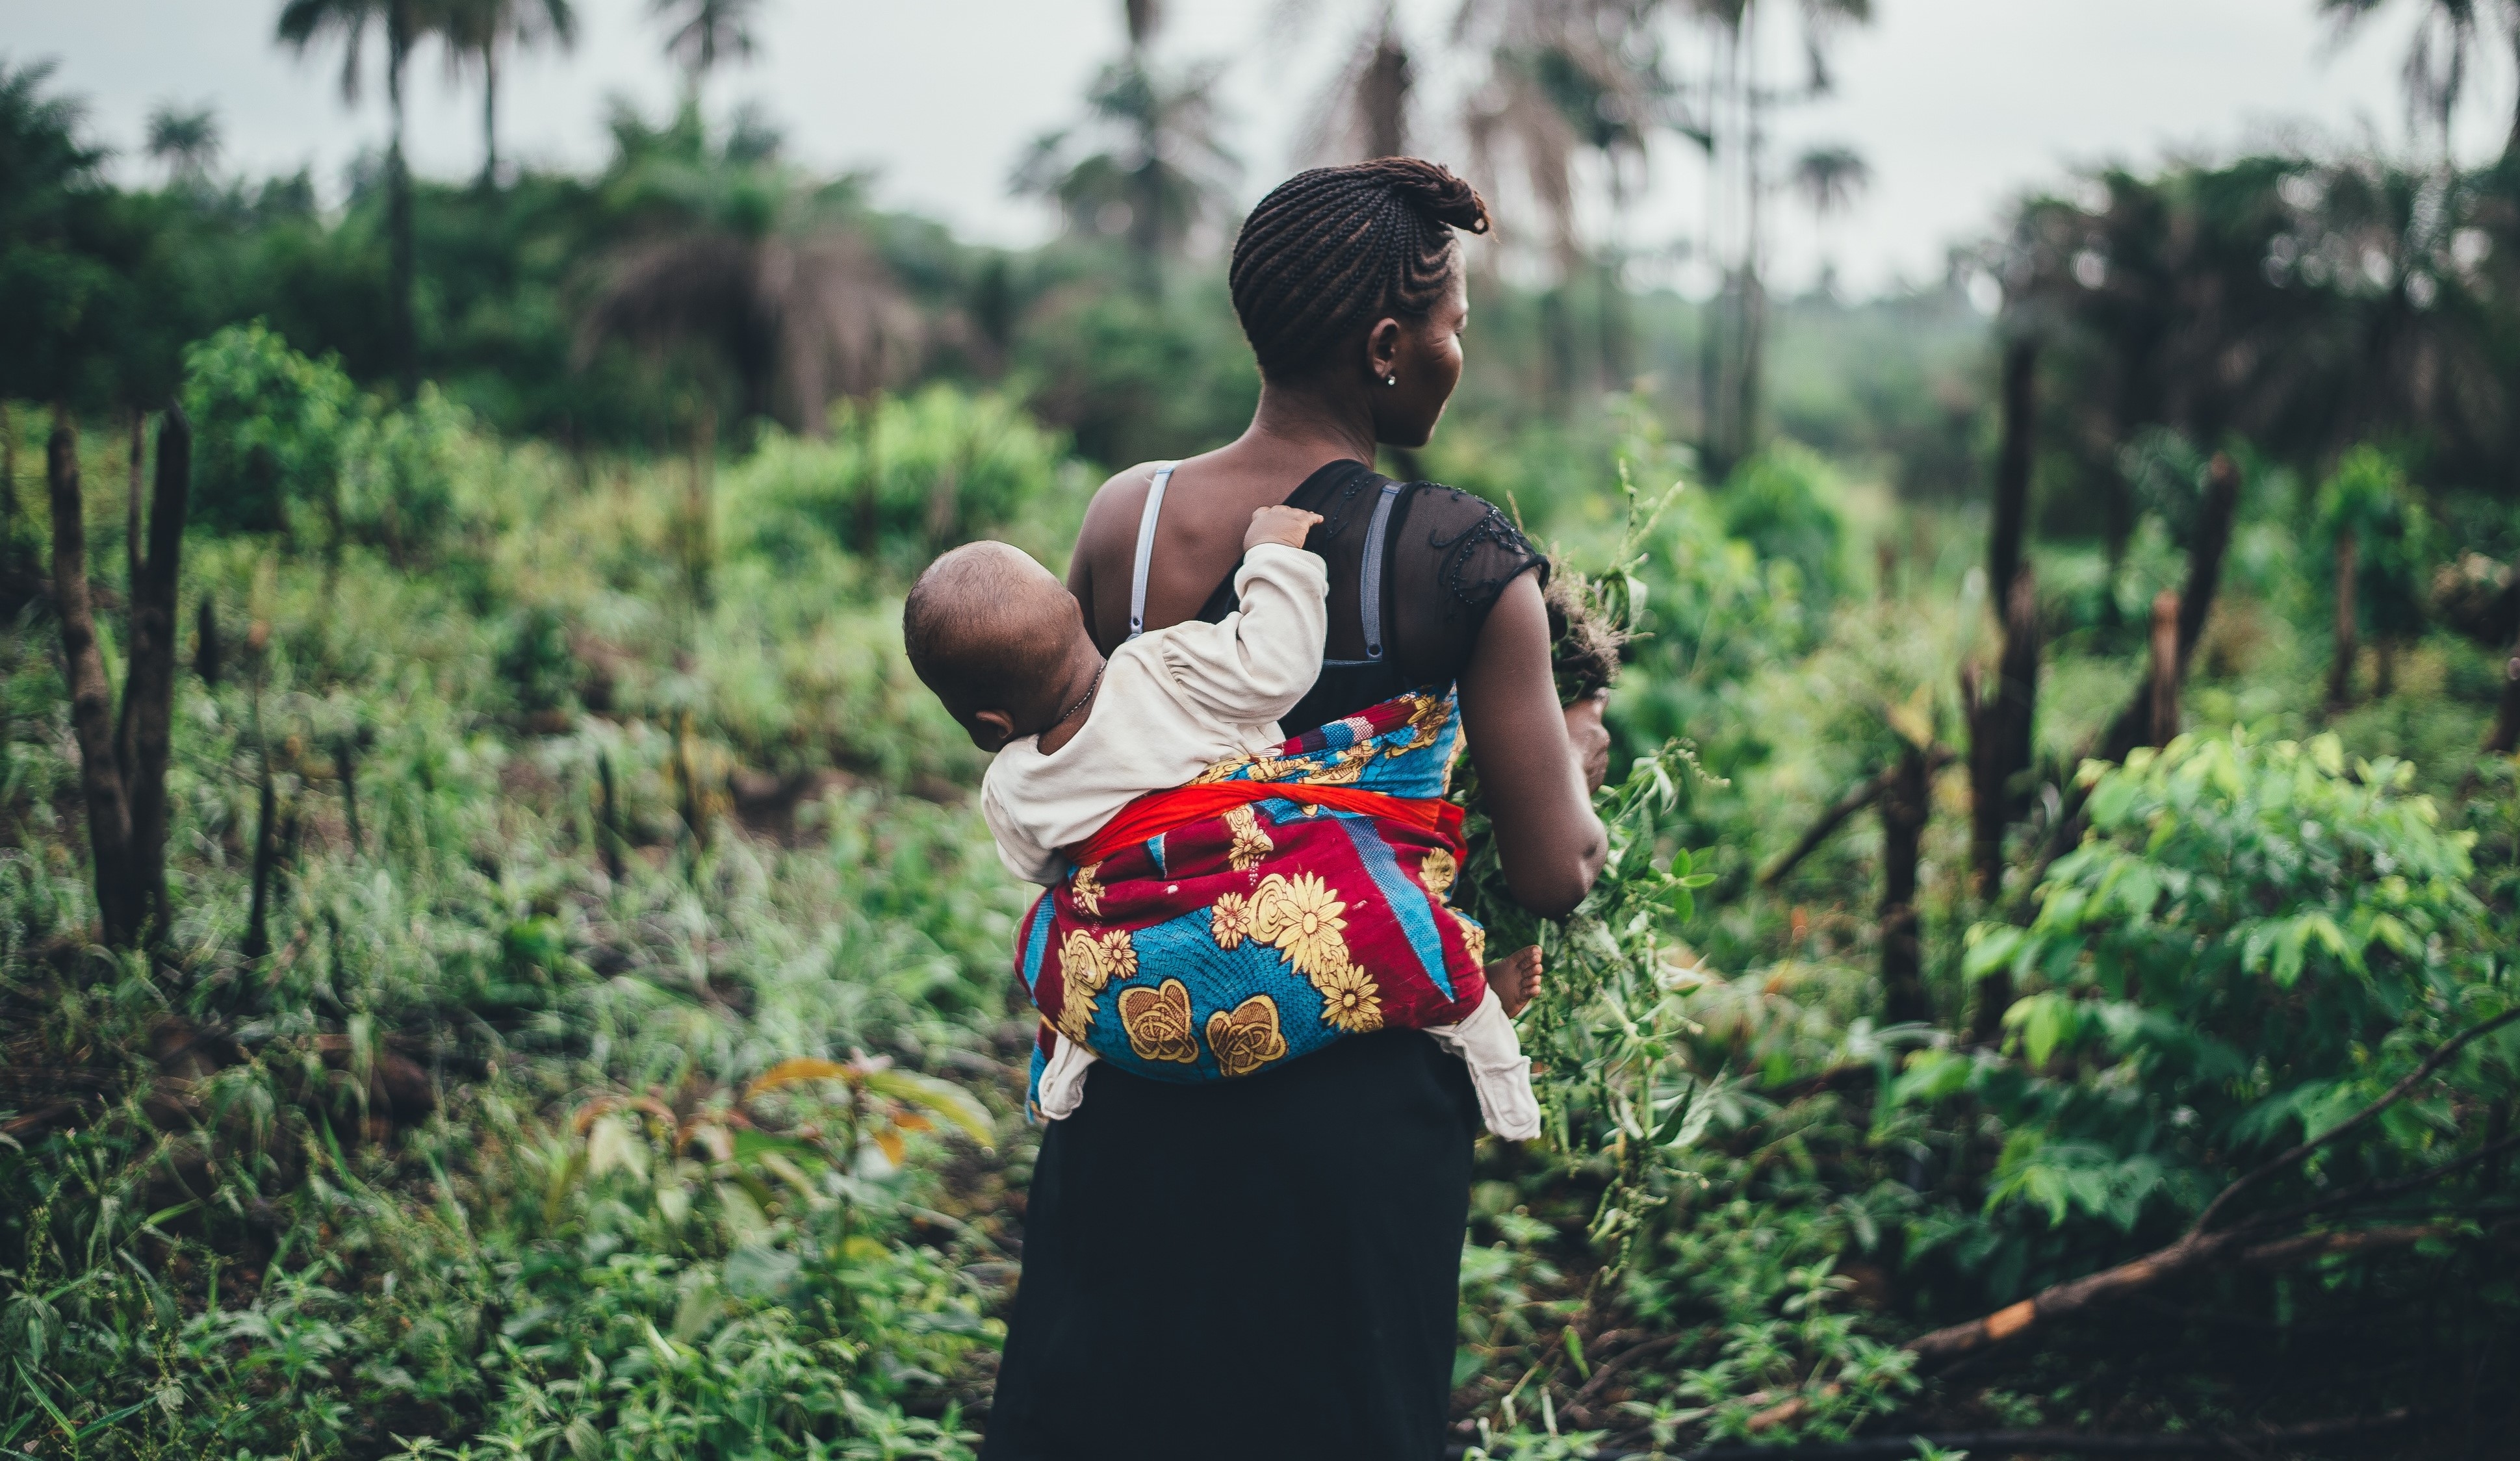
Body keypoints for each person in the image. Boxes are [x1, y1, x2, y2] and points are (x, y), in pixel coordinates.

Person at [980, 157, 1608, 1461]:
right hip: (1350, 1113)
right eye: (1451, 326)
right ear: (1388, 345)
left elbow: (1099, 768)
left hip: (1138, 1068)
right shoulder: (1459, 556)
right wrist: (1577, 765)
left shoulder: (1126, 520)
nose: (1455, 352)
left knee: (1117, 1415)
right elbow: (1552, 873)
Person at [899, 503, 1547, 1137]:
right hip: (1260, 899)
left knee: (1051, 938)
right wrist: (1273, 555)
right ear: (1074, 615)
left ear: (988, 725)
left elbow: (1043, 868)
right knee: (1383, 911)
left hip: (1144, 964)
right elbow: (1275, 668)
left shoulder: (1010, 784)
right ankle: (1480, 1031)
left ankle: (1071, 1058)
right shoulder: (1161, 665)